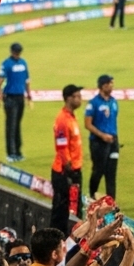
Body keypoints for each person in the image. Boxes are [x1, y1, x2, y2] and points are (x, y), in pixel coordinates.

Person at [52, 84, 85, 232]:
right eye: (77, 96)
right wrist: (70, 171)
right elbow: (62, 147)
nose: (80, 99)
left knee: (74, 209)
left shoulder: (71, 116)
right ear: (68, 98)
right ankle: (57, 241)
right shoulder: (62, 120)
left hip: (72, 170)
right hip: (65, 172)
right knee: (61, 211)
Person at [85, 75, 119, 199]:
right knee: (98, 171)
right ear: (103, 85)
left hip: (113, 142)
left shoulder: (113, 102)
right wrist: (102, 135)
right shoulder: (93, 103)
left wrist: (113, 138)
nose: (112, 86)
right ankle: (92, 195)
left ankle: (111, 203)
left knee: (111, 173)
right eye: (110, 83)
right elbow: (87, 124)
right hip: (98, 142)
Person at [0, 42, 30, 162]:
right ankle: (11, 153)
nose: (17, 54)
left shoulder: (23, 63)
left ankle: (18, 152)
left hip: (20, 97)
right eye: (16, 52)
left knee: (17, 125)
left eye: (19, 52)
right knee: (11, 126)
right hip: (10, 98)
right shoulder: (6, 64)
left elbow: (27, 80)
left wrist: (29, 94)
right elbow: (0, 80)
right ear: (12, 52)